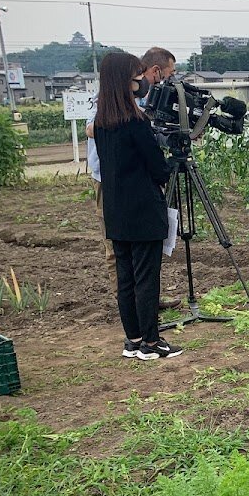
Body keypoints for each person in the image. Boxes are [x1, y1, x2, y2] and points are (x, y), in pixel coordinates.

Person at [92, 52, 182, 360]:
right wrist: (173, 164)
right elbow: (158, 169)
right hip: (143, 211)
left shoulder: (101, 124)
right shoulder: (136, 123)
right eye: (135, 78)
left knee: (126, 278)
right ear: (124, 82)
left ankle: (133, 340)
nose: (140, 83)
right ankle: (152, 343)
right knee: (146, 278)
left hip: (116, 212)